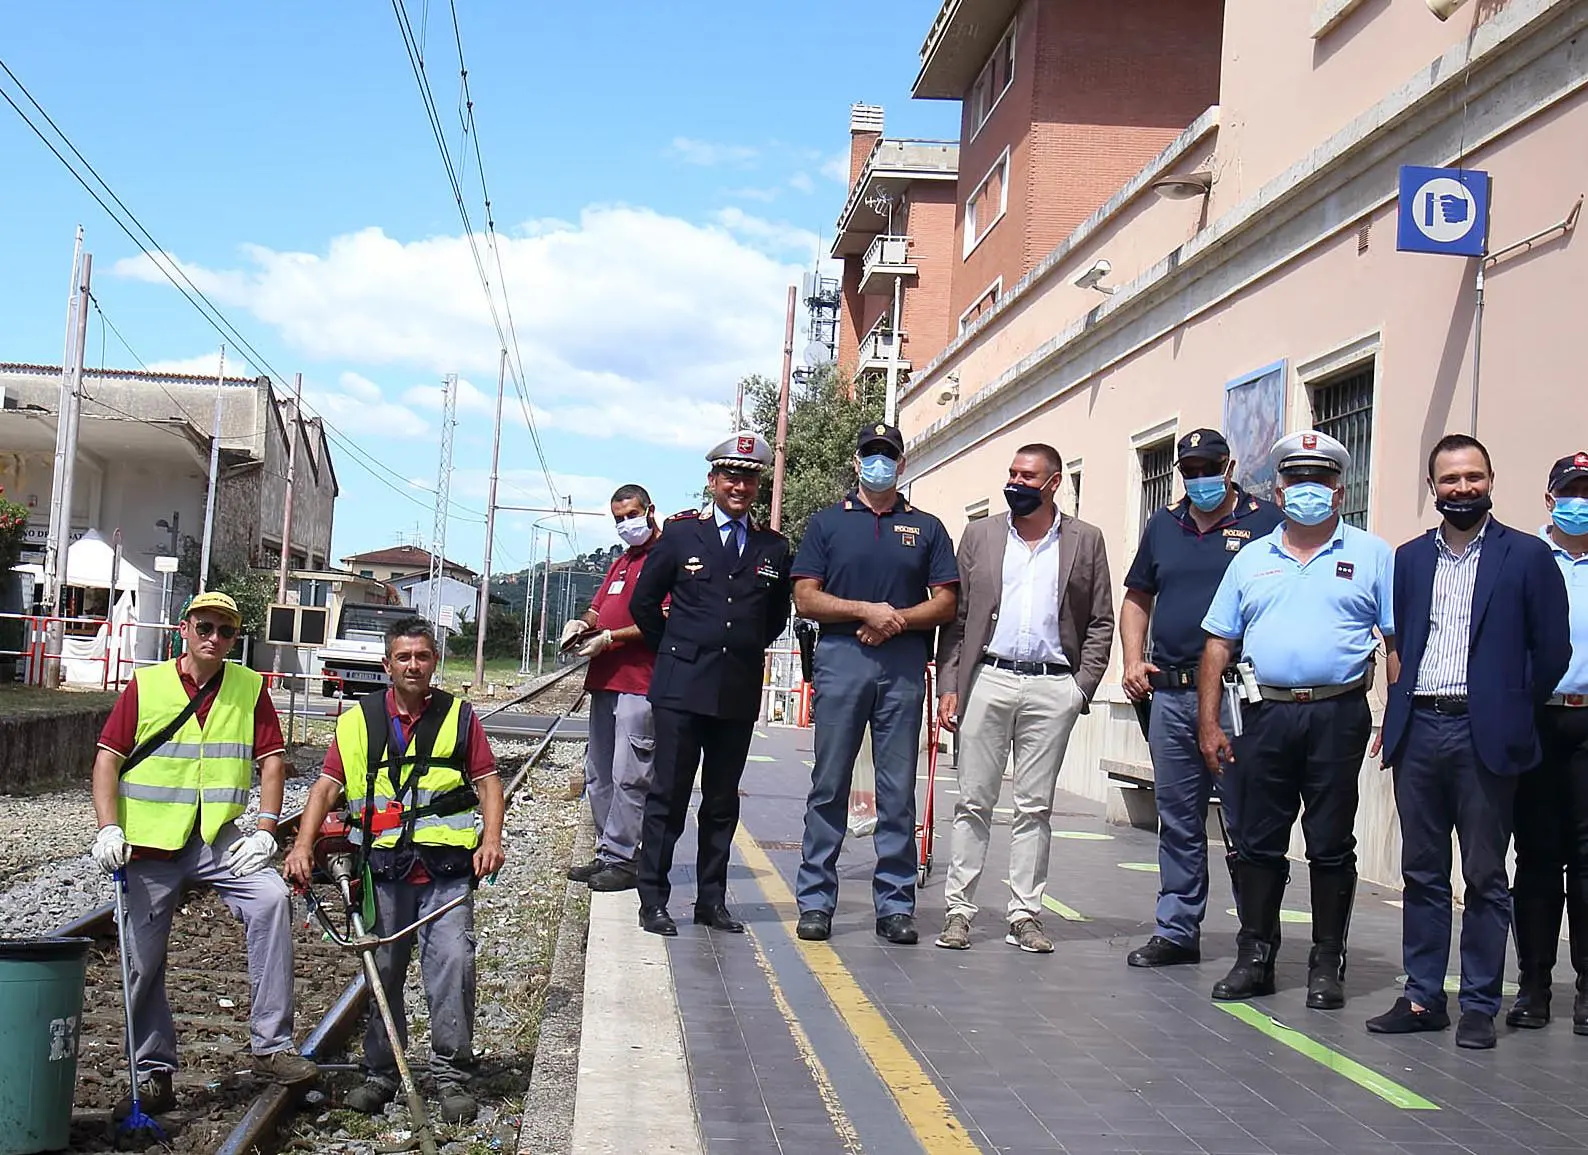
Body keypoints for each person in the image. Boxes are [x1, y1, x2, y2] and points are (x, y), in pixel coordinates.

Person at [1366, 436, 1570, 1049]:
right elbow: (1397, 641)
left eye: (1472, 478)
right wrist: (1395, 713)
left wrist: (1510, 707)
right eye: (1450, 479)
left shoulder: (1528, 556)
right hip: (1421, 728)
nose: (1462, 489)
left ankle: (1480, 1002)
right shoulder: (1407, 559)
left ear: (1491, 481)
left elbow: (1553, 649)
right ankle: (1424, 995)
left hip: (1487, 735)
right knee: (1422, 873)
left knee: (1484, 875)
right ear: (1434, 488)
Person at [89, 591, 317, 1118]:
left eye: (226, 631)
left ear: (235, 639)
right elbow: (107, 760)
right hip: (148, 844)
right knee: (142, 962)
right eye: (206, 627)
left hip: (216, 835)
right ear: (185, 629)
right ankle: (152, 1070)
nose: (215, 638)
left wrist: (264, 830)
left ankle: (271, 1046)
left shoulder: (248, 686)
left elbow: (272, 760)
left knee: (270, 900)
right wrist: (108, 829)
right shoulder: (147, 685)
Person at [1198, 430, 1394, 1009]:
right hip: (1266, 714)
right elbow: (1217, 644)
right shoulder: (1251, 558)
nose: (1309, 489)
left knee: (1331, 842)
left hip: (1339, 713)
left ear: (1340, 490)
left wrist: (1396, 716)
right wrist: (1209, 724)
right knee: (1259, 840)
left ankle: (1326, 963)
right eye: (1297, 479)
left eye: (1321, 479)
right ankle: (1256, 956)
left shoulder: (1372, 553)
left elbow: (1395, 640)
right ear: (1279, 489)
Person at [284, 616, 505, 1122]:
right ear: (388, 665)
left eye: (422, 656)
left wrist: (491, 839)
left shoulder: (460, 718)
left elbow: (489, 783)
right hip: (382, 871)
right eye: (403, 657)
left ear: (433, 663)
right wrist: (301, 847)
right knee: (381, 973)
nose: (413, 665)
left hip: (446, 873)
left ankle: (452, 1076)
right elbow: (325, 789)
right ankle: (382, 1073)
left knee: (453, 967)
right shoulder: (358, 722)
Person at [934, 443, 1114, 953]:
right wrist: (951, 686)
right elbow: (958, 619)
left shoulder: (1085, 540)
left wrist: (1080, 689)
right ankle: (959, 911)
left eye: (1027, 475)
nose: (1015, 482)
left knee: (1035, 807)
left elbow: (1101, 618)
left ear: (1053, 483)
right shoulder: (981, 535)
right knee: (973, 801)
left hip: (1053, 685)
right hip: (988, 679)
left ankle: (1025, 914)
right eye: (1012, 473)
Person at [1120, 429, 1283, 968]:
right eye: (1188, 469)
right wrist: (1131, 658)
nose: (1199, 478)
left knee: (1245, 818)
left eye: (1208, 467)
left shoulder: (1265, 523)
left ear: (1229, 465)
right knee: (1179, 817)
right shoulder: (1164, 525)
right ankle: (1176, 929)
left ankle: (1256, 935)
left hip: (1237, 697)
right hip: (1170, 694)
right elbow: (1137, 597)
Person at [792, 422, 958, 945]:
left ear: (902, 464)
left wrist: (897, 620)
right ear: (857, 461)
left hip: (904, 664)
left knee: (896, 789)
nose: (879, 463)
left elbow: (947, 601)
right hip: (842, 658)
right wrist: (866, 609)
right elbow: (806, 597)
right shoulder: (826, 524)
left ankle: (895, 903)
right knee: (829, 784)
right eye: (870, 454)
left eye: (888, 455)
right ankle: (816, 901)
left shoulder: (927, 527)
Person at [628, 432, 792, 936]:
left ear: (757, 485)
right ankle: (653, 899)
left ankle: (711, 901)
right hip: (681, 688)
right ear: (712, 481)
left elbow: (774, 618)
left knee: (722, 802)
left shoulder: (772, 546)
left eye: (747, 478)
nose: (738, 486)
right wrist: (677, 647)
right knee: (669, 797)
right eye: (730, 476)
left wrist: (739, 650)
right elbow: (643, 604)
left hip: (737, 691)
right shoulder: (680, 537)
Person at [1509, 452, 1588, 1033]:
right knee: (1538, 857)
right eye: (1572, 491)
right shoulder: (1526, 559)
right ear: (1549, 499)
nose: (1580, 502)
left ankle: (1587, 990)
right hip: (1537, 720)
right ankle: (1534, 986)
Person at [560, 484, 661, 893]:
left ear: (649, 510)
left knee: (629, 774)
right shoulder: (621, 563)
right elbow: (598, 606)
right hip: (605, 680)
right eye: (618, 518)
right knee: (598, 772)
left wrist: (611, 637)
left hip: (640, 683)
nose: (625, 524)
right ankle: (607, 851)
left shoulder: (664, 560)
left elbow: (661, 620)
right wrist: (583, 624)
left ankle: (624, 857)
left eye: (632, 515)